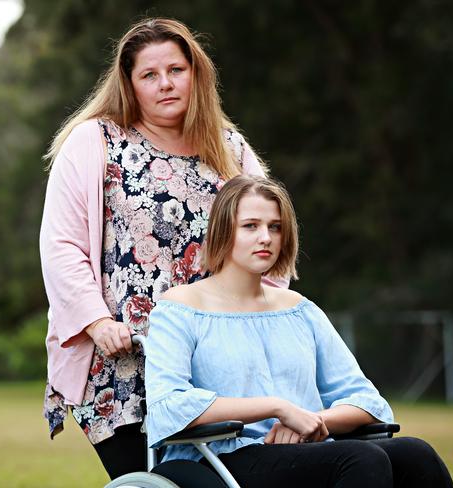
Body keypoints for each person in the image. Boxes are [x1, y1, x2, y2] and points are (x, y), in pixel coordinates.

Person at [39, 18, 286, 479]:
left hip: (217, 363)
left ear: (197, 74)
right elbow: (61, 244)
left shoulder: (229, 148)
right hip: (126, 361)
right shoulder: (96, 141)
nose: (166, 83)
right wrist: (95, 321)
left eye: (176, 69)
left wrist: (269, 321)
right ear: (130, 85)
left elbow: (268, 239)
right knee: (149, 483)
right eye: (149, 75)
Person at [145, 175, 453, 487]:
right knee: (362, 459)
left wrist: (314, 421)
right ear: (223, 230)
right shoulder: (180, 308)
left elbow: (367, 401)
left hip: (304, 451)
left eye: (275, 227)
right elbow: (168, 406)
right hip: (218, 457)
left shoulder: (299, 310)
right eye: (251, 226)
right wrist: (279, 407)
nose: (265, 237)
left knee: (416, 454)